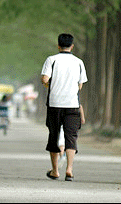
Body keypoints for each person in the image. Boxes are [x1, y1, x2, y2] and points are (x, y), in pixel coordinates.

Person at [41, 33, 87, 181]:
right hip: (72, 105)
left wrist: (50, 85)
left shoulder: (51, 60)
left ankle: (55, 171)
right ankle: (69, 169)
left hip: (55, 104)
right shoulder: (79, 62)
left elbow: (44, 79)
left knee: (54, 136)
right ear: (72, 46)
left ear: (58, 45)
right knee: (71, 136)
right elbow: (80, 85)